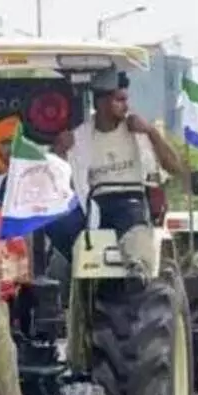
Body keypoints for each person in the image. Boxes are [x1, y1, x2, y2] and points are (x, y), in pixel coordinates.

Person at [59, 67, 186, 271]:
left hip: (131, 199)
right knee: (57, 222)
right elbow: (64, 183)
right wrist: (59, 151)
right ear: (100, 103)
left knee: (131, 218)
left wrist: (152, 133)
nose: (126, 106)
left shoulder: (139, 131)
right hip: (95, 203)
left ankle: (138, 269)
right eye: (119, 100)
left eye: (126, 99)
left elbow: (174, 167)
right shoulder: (80, 137)